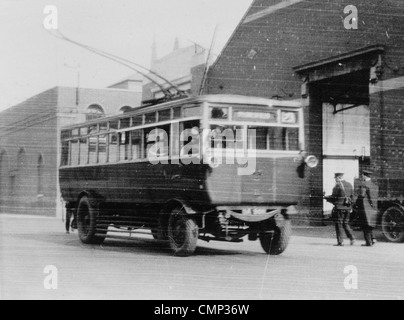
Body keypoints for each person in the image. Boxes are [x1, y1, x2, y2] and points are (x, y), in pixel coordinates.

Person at [325, 173, 355, 246]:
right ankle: (352, 237)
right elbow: (352, 197)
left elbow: (334, 197)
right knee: (345, 223)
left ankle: (340, 241)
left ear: (338, 177)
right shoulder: (349, 184)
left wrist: (326, 198)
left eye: (335, 178)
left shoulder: (337, 185)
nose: (335, 179)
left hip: (339, 208)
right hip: (347, 208)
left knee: (339, 224)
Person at [354, 170, 379, 247]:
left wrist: (355, 205)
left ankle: (368, 242)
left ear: (364, 176)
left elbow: (361, 196)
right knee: (370, 224)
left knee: (365, 225)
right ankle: (373, 239)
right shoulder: (374, 185)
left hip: (365, 208)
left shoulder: (364, 185)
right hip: (373, 208)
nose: (361, 177)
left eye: (362, 176)